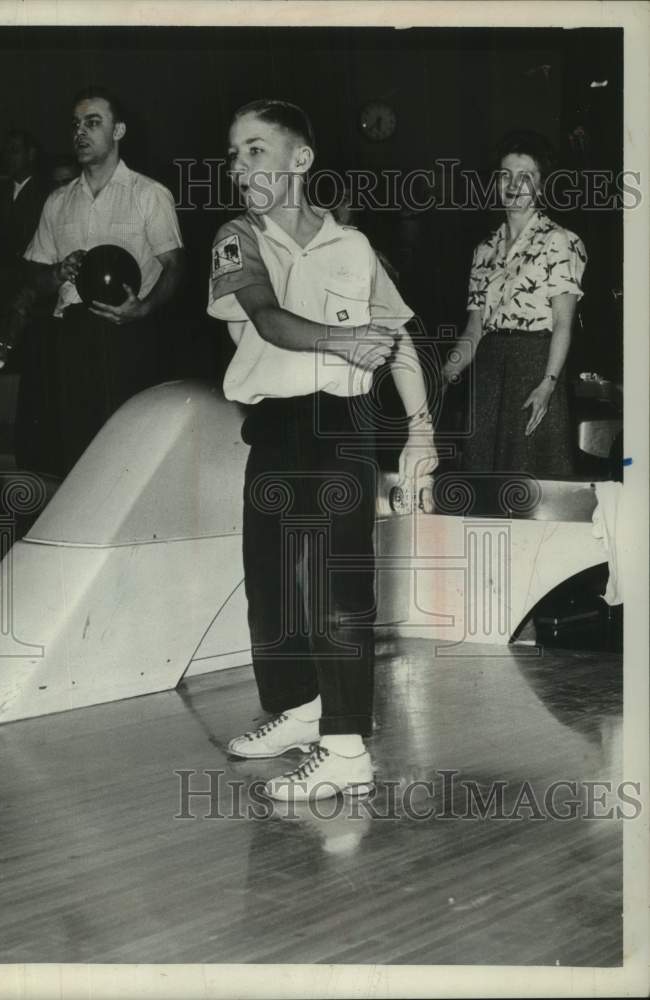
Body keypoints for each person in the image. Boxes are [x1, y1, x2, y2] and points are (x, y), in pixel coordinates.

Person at [207, 100, 437, 801]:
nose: (238, 166)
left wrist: (421, 428)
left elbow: (397, 338)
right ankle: (300, 708)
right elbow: (270, 320)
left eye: (254, 150)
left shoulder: (355, 249)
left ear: (299, 159)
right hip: (276, 423)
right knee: (272, 584)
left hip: (341, 424)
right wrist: (344, 340)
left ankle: (344, 750)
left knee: (338, 587)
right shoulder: (236, 238)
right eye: (233, 152)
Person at [19, 85, 184, 475]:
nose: (81, 132)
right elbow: (34, 279)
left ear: (119, 131)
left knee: (129, 457)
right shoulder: (58, 201)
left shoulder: (149, 195)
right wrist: (56, 273)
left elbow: (176, 266)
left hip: (129, 336)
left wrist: (143, 307)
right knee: (77, 457)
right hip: (72, 336)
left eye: (93, 123)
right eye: (76, 124)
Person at [442, 131, 587, 476]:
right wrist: (447, 372)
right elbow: (474, 330)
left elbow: (563, 324)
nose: (513, 184)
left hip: (535, 367)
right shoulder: (484, 250)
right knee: (483, 481)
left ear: (541, 186)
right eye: (505, 174)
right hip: (490, 372)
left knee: (532, 483)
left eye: (526, 176)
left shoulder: (560, 241)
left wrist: (548, 383)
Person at [0, 130, 47, 370]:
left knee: (27, 357)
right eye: (7, 151)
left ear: (31, 154)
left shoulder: (48, 193)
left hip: (31, 289)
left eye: (15, 150)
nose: (9, 157)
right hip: (1, 289)